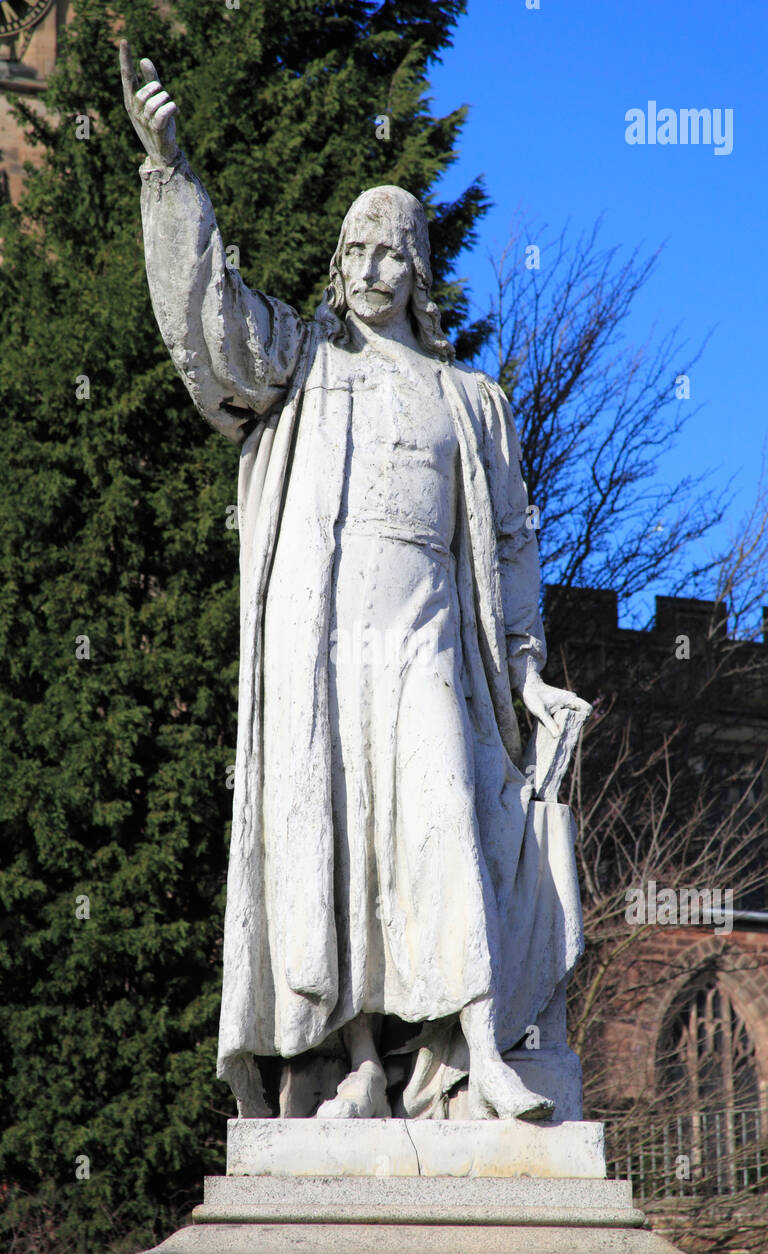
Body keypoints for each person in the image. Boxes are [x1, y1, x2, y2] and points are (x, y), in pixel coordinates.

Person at [121, 42, 587, 1123]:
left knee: (439, 811)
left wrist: (525, 678)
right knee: (338, 838)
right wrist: (171, 172)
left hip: (429, 635)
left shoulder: (472, 401)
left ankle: (479, 1043)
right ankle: (362, 1059)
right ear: (337, 267)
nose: (375, 268)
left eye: (396, 253)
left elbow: (510, 547)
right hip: (322, 639)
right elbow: (213, 326)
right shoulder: (303, 365)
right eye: (358, 250)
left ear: (422, 275)